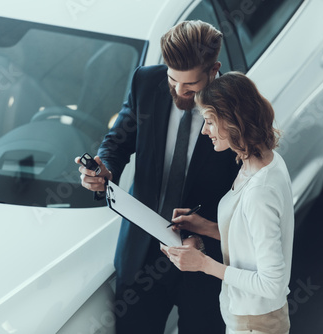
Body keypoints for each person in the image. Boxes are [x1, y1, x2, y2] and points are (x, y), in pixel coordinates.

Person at [76, 21, 239, 333]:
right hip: (141, 252)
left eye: (190, 88)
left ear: (214, 70)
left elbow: (243, 190)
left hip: (203, 260)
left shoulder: (236, 106)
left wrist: (204, 239)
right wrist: (105, 169)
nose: (179, 93)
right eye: (172, 81)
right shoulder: (146, 82)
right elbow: (117, 141)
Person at [161, 72, 294, 334]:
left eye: (209, 121)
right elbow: (250, 238)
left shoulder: (260, 191)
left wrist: (203, 264)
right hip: (246, 317)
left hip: (255, 324)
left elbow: (272, 284)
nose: (204, 130)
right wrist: (206, 227)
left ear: (233, 121)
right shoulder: (261, 161)